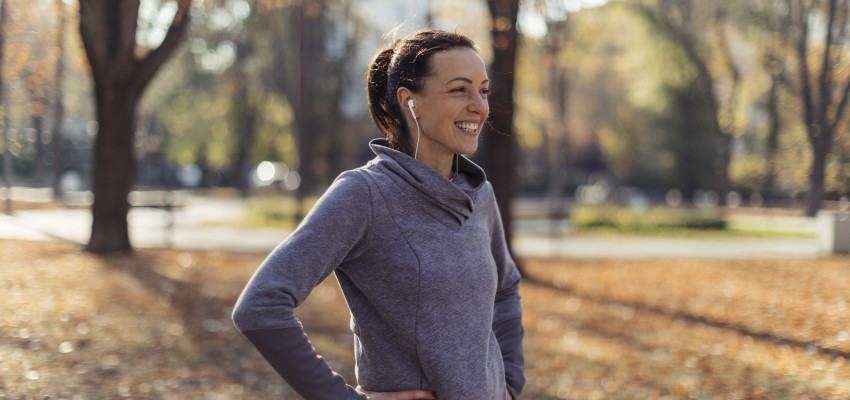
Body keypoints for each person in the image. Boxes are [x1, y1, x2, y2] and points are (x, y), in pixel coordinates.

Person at [232, 28, 524, 400]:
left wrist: (510, 383)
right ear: (409, 102)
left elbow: (506, 287)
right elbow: (260, 306)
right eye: (459, 90)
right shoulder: (365, 194)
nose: (479, 107)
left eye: (482, 91)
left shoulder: (479, 194)